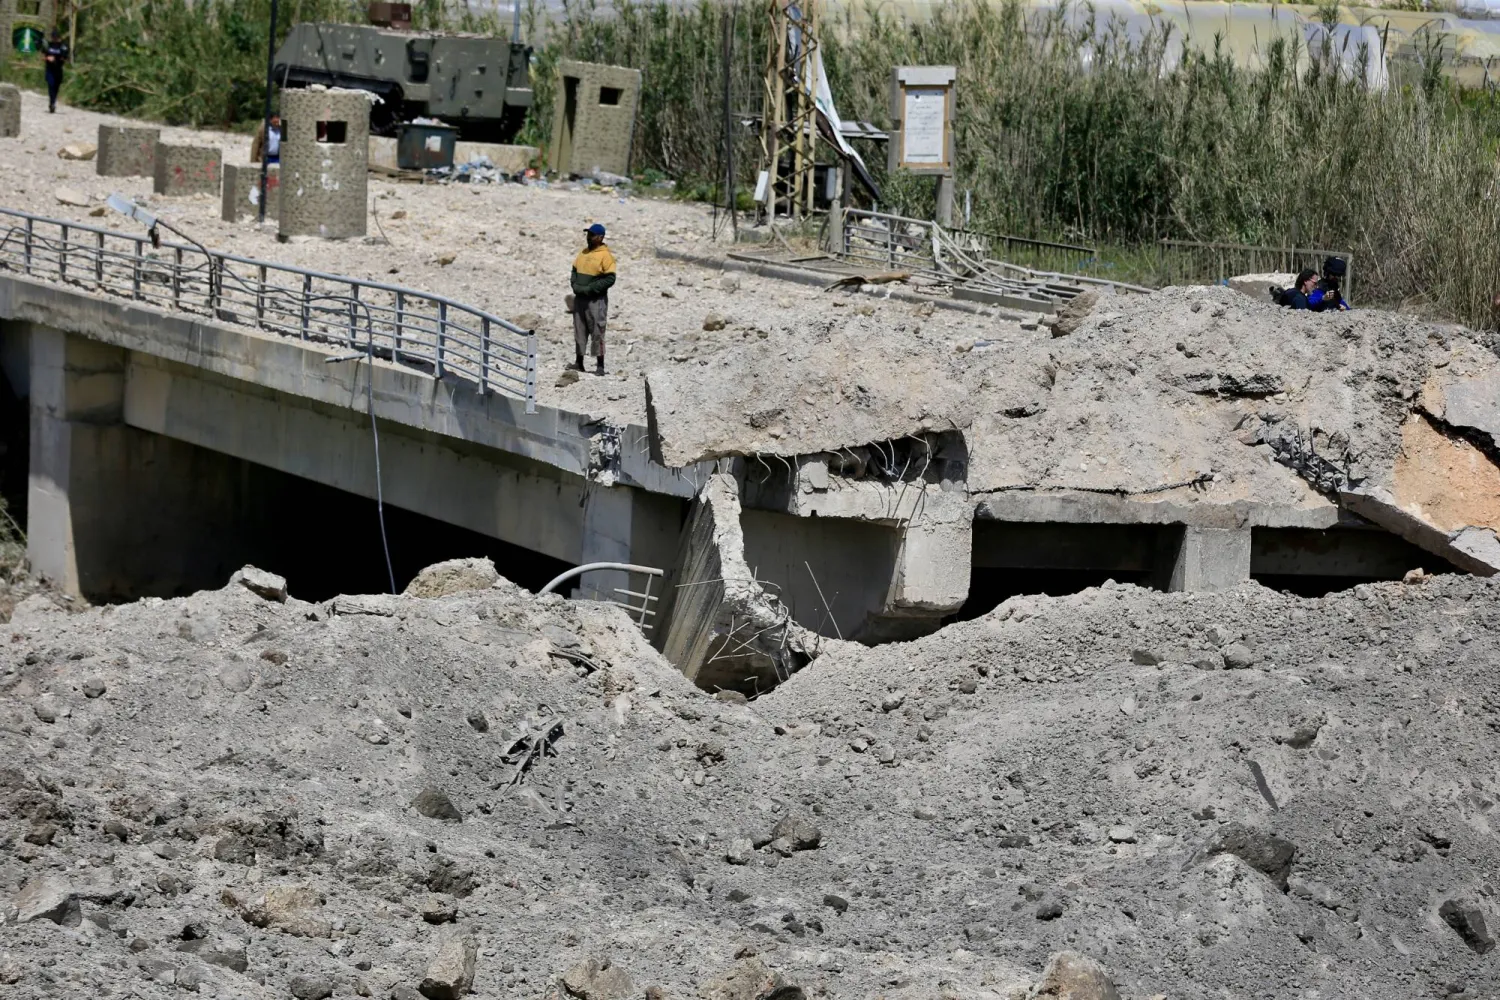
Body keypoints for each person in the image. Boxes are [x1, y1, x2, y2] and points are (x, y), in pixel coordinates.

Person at [570, 223, 616, 375]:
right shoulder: (582, 253)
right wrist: (574, 285)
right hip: (580, 299)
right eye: (588, 234)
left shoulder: (605, 255)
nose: (588, 237)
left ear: (600, 237)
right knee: (579, 330)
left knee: (597, 330)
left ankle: (600, 366)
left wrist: (591, 289)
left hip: (596, 301)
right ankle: (579, 362)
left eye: (592, 235)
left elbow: (610, 279)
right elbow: (574, 270)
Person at [42, 29, 69, 114]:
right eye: (53, 37)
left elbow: (65, 58)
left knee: (56, 88)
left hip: (58, 70)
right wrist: (48, 58)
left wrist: (58, 59)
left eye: (56, 37)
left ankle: (53, 102)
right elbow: (43, 56)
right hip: (50, 69)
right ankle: (52, 103)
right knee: (51, 85)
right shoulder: (48, 45)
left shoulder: (63, 46)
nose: (54, 39)